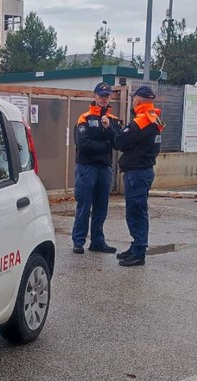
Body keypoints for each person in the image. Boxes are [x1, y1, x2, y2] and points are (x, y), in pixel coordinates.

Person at [103, 85, 164, 267]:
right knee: (137, 211)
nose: (133, 100)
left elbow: (120, 142)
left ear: (139, 100)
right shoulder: (155, 118)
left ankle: (139, 252)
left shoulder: (142, 120)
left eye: (134, 98)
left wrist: (110, 129)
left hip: (137, 172)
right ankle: (136, 246)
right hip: (143, 170)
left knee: (136, 213)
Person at [71, 82, 121, 255]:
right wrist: (104, 145)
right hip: (87, 167)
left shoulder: (113, 120)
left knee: (101, 207)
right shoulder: (84, 118)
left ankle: (98, 242)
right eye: (100, 95)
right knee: (84, 206)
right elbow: (83, 144)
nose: (103, 99)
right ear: (94, 96)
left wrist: (108, 130)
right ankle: (78, 241)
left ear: (110, 98)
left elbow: (117, 143)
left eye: (106, 96)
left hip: (104, 168)